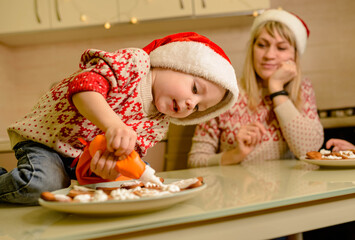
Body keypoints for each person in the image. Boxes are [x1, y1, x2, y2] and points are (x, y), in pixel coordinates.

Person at [0, 32, 239, 205]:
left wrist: (105, 169)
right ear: (172, 62)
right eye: (195, 89)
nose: (191, 104)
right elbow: (83, 87)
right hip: (46, 139)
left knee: (107, 189)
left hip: (76, 158)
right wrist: (113, 124)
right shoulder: (134, 64)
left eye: (198, 108)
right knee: (43, 184)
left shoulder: (159, 124)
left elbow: (120, 158)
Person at [188, 9, 324, 167]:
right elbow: (195, 161)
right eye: (262, 45)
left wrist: (276, 89)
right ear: (252, 49)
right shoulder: (226, 92)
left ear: (294, 56)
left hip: (289, 190)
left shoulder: (303, 90)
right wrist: (235, 155)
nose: (269, 55)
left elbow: (309, 150)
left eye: (281, 48)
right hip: (236, 189)